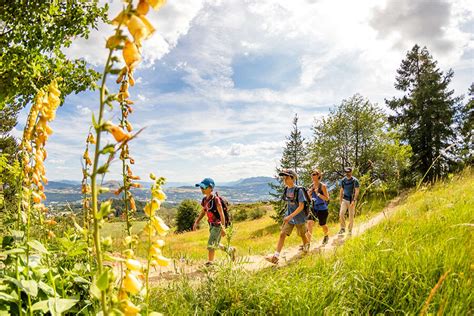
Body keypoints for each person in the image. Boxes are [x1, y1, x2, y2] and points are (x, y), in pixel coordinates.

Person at [265, 169, 310, 264]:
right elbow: (289, 203)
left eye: (287, 177)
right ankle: (276, 257)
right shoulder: (286, 189)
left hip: (299, 217)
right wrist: (287, 215)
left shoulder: (299, 190)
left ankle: (306, 245)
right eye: (284, 177)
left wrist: (290, 216)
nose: (284, 179)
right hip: (289, 217)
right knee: (282, 234)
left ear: (293, 178)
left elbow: (301, 206)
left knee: (302, 234)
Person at [192, 178, 235, 265]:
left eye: (204, 187)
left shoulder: (216, 200)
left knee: (211, 244)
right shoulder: (204, 200)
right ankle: (230, 250)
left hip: (218, 225)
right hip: (211, 225)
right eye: (201, 187)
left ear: (211, 188)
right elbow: (203, 211)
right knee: (216, 243)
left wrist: (223, 228)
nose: (202, 189)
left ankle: (210, 263)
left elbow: (222, 214)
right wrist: (197, 222)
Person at [306, 168, 330, 246]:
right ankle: (307, 243)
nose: (312, 176)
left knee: (322, 224)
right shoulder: (311, 186)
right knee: (309, 223)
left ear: (318, 175)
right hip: (313, 207)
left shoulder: (322, 186)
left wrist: (318, 194)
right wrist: (309, 195)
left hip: (322, 208)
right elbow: (309, 199)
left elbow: (327, 198)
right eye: (311, 174)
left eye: (314, 174)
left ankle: (326, 236)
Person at [338, 167, 360, 236]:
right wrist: (340, 200)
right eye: (346, 172)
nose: (347, 173)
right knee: (341, 214)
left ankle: (350, 230)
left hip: (351, 200)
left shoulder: (355, 180)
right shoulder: (343, 180)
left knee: (351, 216)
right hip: (344, 199)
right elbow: (341, 190)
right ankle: (342, 228)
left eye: (349, 172)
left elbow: (357, 191)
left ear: (351, 172)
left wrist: (354, 200)